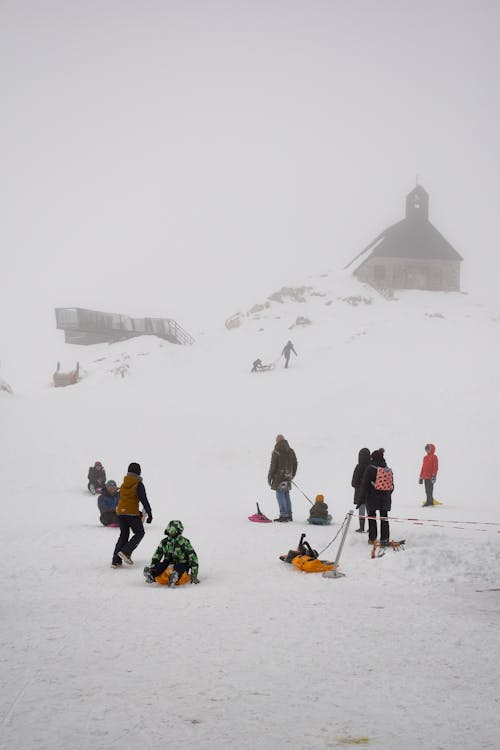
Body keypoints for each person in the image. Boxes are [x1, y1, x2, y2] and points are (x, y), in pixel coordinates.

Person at [112, 462, 152, 567]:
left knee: (124, 535)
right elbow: (143, 499)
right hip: (131, 513)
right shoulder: (138, 484)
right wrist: (150, 513)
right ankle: (126, 552)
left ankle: (116, 560)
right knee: (139, 532)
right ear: (139, 472)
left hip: (121, 512)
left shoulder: (124, 483)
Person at [143, 520, 199, 586]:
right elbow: (157, 555)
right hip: (168, 563)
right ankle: (151, 574)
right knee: (161, 565)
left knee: (181, 566)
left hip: (182, 564)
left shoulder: (184, 542)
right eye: (170, 532)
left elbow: (193, 558)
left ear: (178, 531)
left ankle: (175, 577)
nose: (171, 534)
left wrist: (194, 575)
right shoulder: (164, 542)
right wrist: (153, 566)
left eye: (173, 533)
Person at [359, 448, 394, 545]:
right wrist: (386, 495)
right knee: (384, 518)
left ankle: (372, 538)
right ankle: (384, 538)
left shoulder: (370, 468)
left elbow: (364, 485)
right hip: (385, 498)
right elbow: (392, 486)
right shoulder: (387, 469)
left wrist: (361, 499)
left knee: (372, 517)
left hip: (372, 497)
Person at [268, 434, 298, 522]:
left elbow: (273, 466)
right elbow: (295, 463)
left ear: (277, 441)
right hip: (288, 476)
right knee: (286, 494)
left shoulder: (276, 451)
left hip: (279, 478)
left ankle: (283, 515)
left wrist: (270, 477)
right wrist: (292, 475)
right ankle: (289, 515)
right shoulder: (291, 451)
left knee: (280, 494)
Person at [351, 447, 371, 532]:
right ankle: (371, 528)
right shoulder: (371, 466)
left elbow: (353, 482)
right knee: (370, 511)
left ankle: (361, 527)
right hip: (370, 493)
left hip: (360, 493)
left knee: (361, 510)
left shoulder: (358, 467)